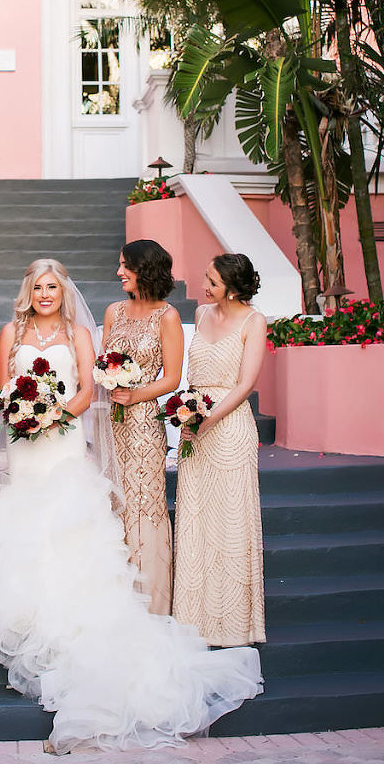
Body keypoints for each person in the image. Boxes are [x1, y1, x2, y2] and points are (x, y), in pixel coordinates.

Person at [0, 258, 262, 755]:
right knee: (23, 520)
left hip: (60, 436)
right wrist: (16, 412)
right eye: (38, 286)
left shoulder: (80, 331)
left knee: (70, 523)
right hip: (22, 444)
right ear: (28, 290)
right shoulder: (11, 330)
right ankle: (27, 615)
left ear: (63, 291)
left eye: (53, 286)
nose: (45, 294)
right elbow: (1, 383)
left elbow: (87, 388)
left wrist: (52, 415)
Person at [173, 253, 267, 647]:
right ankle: (193, 622)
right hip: (193, 427)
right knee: (195, 519)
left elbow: (245, 384)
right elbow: (193, 374)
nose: (204, 284)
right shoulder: (202, 312)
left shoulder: (254, 321)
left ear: (231, 283)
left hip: (228, 429)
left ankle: (234, 624)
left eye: (211, 279)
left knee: (230, 523)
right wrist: (188, 416)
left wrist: (208, 420)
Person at [101, 239, 184, 613]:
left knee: (144, 505)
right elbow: (102, 364)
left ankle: (150, 602)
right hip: (111, 422)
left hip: (143, 424)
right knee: (113, 501)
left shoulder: (167, 316)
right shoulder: (113, 312)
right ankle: (113, 597)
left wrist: (135, 395)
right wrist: (110, 381)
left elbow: (172, 379)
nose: (119, 272)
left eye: (125, 266)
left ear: (144, 269)